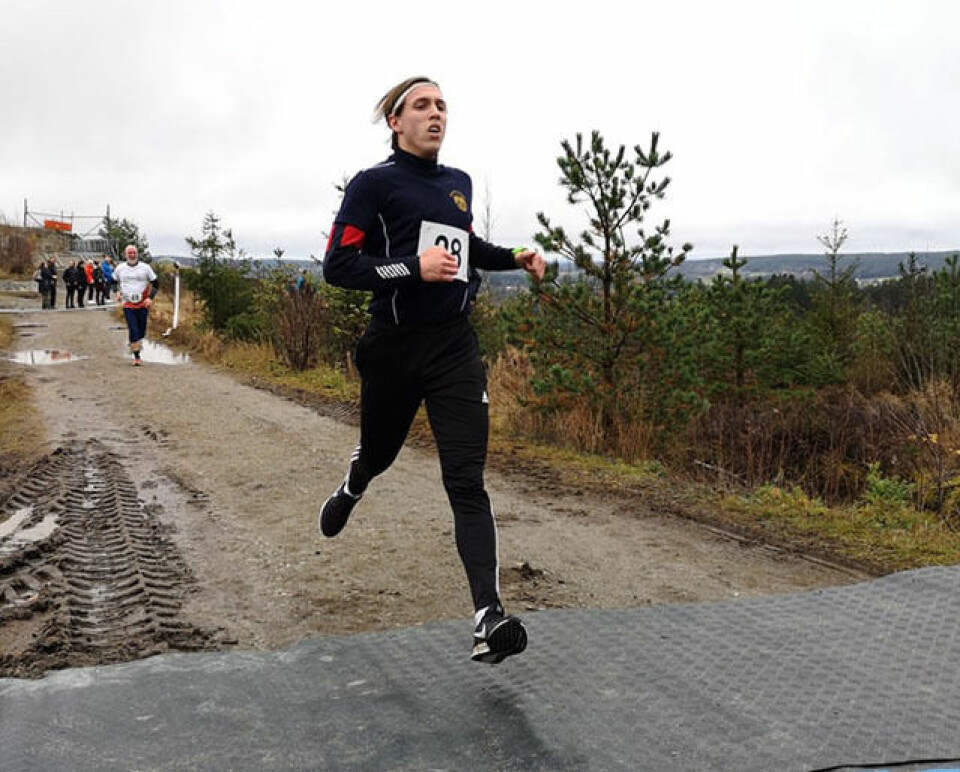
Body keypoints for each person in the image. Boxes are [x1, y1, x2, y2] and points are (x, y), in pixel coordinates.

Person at [320, 76, 546, 665]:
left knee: (466, 480)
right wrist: (411, 270)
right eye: (421, 105)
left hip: (453, 348)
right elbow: (340, 266)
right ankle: (354, 483)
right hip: (393, 350)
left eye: (442, 105)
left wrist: (514, 258)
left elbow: (465, 248)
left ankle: (487, 617)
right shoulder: (373, 186)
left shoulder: (457, 185)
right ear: (396, 122)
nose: (435, 113)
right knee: (381, 454)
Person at [113, 245, 158, 366]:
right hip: (128, 304)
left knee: (141, 331)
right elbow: (113, 281)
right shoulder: (120, 268)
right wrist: (116, 292)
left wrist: (150, 298)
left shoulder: (145, 268)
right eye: (130, 253)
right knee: (133, 328)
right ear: (125, 254)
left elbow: (156, 283)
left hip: (142, 303)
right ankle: (136, 356)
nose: (132, 255)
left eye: (134, 253)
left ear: (137, 254)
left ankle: (136, 341)